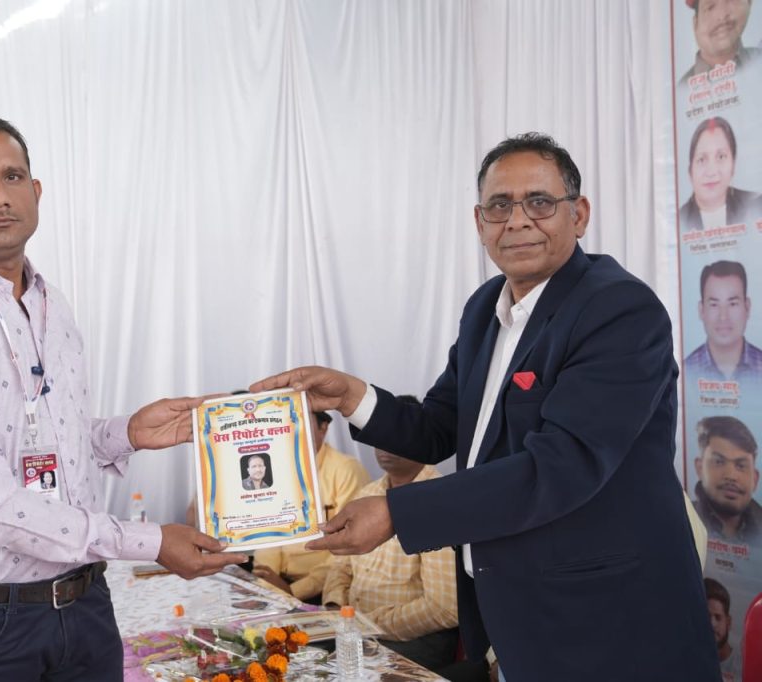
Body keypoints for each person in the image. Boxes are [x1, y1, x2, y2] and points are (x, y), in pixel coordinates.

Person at [251, 133, 719, 681]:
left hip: (611, 624)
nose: (517, 220)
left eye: (539, 202)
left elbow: (561, 467)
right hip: (518, 616)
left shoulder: (619, 309)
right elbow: (439, 427)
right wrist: (352, 397)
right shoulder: (484, 309)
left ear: (579, 215)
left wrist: (397, 513)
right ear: (479, 222)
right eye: (499, 205)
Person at [0, 116, 244, 681]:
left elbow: (37, 441)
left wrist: (125, 433)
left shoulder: (51, 304)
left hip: (86, 605)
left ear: (36, 192)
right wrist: (150, 541)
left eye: (13, 176)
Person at [322, 397, 462, 672]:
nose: (384, 445)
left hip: (414, 639)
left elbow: (444, 608)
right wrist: (336, 605)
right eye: (380, 436)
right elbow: (340, 564)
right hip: (355, 628)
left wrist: (365, 625)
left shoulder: (439, 501)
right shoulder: (367, 494)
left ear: (421, 438)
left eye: (396, 436)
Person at [251, 410, 369, 603]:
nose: (293, 431)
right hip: (276, 587)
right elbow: (268, 534)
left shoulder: (346, 470)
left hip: (323, 590)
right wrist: (267, 585)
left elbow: (348, 547)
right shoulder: (274, 469)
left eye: (302, 423)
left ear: (324, 428)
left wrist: (293, 591)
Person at [679, 117, 762, 232]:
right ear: (690, 171)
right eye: (701, 159)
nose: (711, 172)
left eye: (721, 157)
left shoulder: (756, 205)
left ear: (733, 165)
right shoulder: (678, 221)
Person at [685, 260, 762, 382]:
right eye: (714, 304)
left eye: (732, 304)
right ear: (701, 310)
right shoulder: (685, 371)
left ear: (747, 307)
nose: (723, 317)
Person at [693, 415, 762, 544]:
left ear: (755, 478)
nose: (731, 476)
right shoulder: (681, 519)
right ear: (699, 468)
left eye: (741, 466)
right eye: (719, 462)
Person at [680, 0, 759, 84]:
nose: (722, 15)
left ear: (749, 3)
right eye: (710, 7)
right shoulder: (682, 88)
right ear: (696, 24)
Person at [705, 577, 744, 682]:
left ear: (728, 622)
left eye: (718, 617)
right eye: (706, 617)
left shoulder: (744, 667)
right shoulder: (689, 662)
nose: (712, 624)